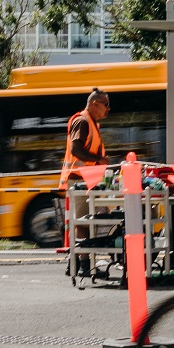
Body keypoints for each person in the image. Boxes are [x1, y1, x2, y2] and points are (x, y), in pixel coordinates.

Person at [60, 88, 111, 248]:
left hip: (88, 182)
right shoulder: (82, 121)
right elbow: (76, 150)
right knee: (82, 223)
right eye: (106, 104)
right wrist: (99, 159)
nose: (108, 109)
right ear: (95, 104)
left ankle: (87, 260)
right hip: (78, 181)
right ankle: (83, 263)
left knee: (89, 222)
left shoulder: (92, 124)